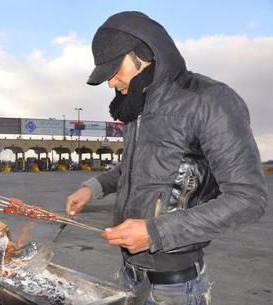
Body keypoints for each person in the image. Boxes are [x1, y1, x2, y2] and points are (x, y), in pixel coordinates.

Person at [65, 11, 268, 305]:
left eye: (113, 70)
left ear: (143, 55)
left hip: (176, 285)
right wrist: (92, 188)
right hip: (130, 272)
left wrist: (155, 232)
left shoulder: (209, 100)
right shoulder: (137, 107)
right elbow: (135, 167)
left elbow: (248, 198)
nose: (110, 83)